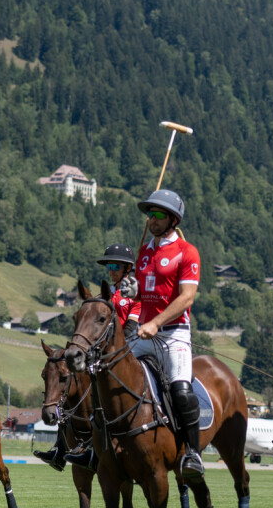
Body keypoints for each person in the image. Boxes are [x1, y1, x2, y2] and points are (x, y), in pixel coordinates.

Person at [36, 243, 140, 470]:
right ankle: (61, 448)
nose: (111, 270)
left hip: (130, 349)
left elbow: (134, 323)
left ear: (128, 268)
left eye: (116, 266)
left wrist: (125, 337)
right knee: (69, 382)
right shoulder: (104, 295)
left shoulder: (134, 293)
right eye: (109, 266)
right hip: (101, 353)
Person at [124, 189, 204, 478]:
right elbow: (144, 293)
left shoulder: (187, 251)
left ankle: (193, 454)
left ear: (172, 219)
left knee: (181, 390)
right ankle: (96, 445)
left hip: (173, 335)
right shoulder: (145, 251)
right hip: (143, 334)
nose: (151, 219)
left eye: (157, 215)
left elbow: (186, 298)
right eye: (149, 214)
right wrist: (134, 291)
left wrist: (156, 322)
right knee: (110, 374)